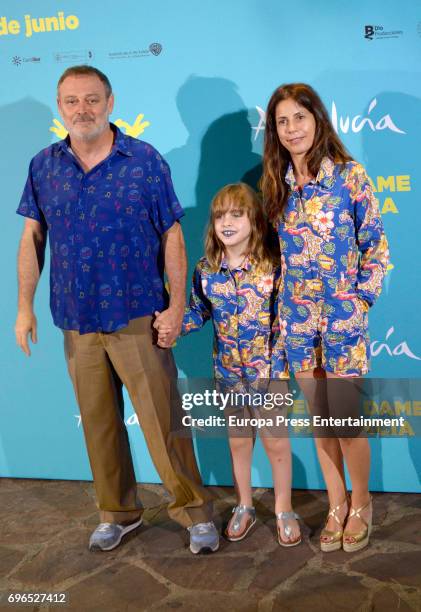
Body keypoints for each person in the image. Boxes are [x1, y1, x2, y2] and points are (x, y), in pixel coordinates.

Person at [14, 65, 219, 555]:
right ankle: (119, 514)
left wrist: (175, 306)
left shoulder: (145, 161)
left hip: (138, 314)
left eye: (91, 99)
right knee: (100, 424)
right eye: (70, 101)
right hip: (77, 320)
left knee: (162, 420)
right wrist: (24, 307)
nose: (81, 109)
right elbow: (32, 237)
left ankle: (193, 513)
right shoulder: (43, 166)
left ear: (110, 102)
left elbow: (172, 233)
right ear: (59, 106)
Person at [261, 83, 390, 552]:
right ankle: (336, 503)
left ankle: (362, 503)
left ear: (317, 120)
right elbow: (274, 258)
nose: (292, 128)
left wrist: (360, 301)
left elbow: (375, 245)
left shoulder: (350, 177)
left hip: (342, 322)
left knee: (347, 422)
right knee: (321, 422)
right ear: (274, 131)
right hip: (297, 324)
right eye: (282, 121)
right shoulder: (275, 184)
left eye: (300, 117)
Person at [157, 183, 300, 546]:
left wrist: (281, 363)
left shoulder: (274, 265)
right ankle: (245, 505)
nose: (227, 222)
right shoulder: (206, 270)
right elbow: (198, 311)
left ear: (254, 220)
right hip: (228, 375)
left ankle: (284, 508)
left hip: (270, 374)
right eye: (220, 215)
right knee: (239, 442)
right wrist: (172, 324)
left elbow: (287, 317)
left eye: (237, 214)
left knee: (276, 444)